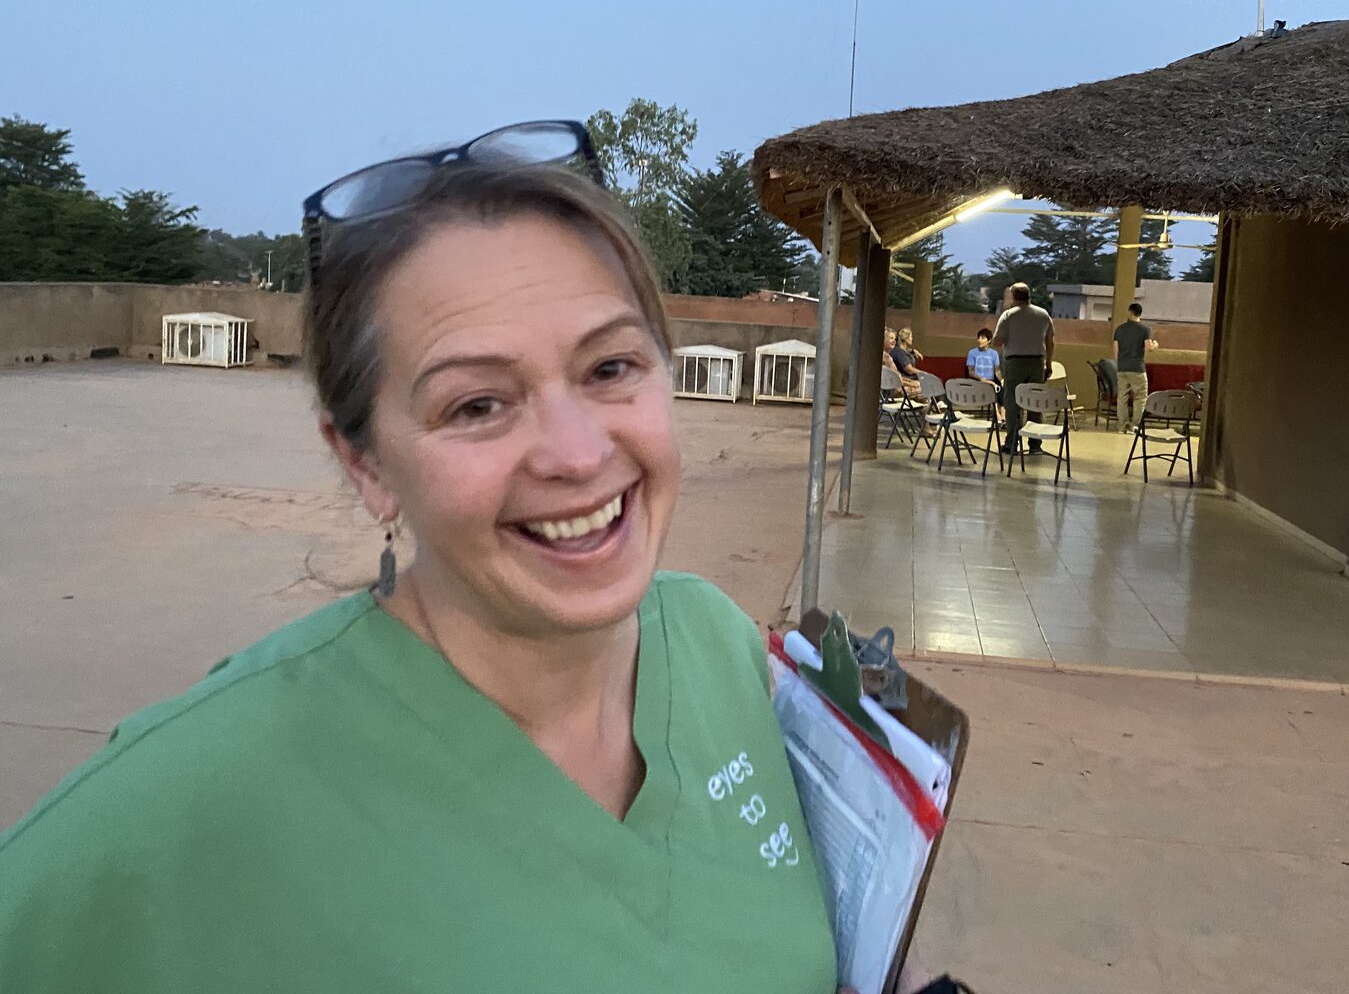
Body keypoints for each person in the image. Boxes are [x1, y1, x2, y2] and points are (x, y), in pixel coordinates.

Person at [0, 121, 876, 993]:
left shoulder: (714, 642)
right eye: (477, 405)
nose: (575, 453)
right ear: (366, 464)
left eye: (610, 367)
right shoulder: (200, 796)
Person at [992, 282, 1054, 455]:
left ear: (1013, 297)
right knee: (1035, 402)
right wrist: (1048, 364)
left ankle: (1011, 443)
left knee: (1012, 403)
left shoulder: (1008, 316)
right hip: (1037, 362)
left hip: (1015, 363)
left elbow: (997, 341)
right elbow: (1050, 341)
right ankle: (1035, 444)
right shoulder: (1043, 314)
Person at [1113, 301, 1160, 433]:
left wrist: (1120, 363)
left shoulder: (1120, 329)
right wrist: (1155, 344)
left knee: (1122, 397)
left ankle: (1121, 427)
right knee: (1140, 397)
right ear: (1140, 313)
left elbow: (1116, 350)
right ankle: (1135, 426)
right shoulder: (1146, 329)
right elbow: (1148, 347)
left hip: (1122, 367)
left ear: (1129, 312)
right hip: (1137, 368)